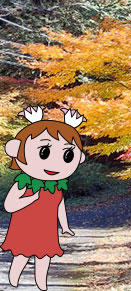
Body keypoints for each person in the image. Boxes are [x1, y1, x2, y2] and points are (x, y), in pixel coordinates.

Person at [2, 106, 86, 290]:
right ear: (17, 150)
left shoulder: (56, 186)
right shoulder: (24, 183)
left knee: (44, 257)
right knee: (22, 256)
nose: (55, 163)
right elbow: (9, 205)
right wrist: (30, 199)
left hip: (46, 228)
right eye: (44, 152)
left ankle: (42, 286)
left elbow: (59, 205)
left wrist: (65, 226)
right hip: (25, 226)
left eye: (67, 154)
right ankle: (13, 283)